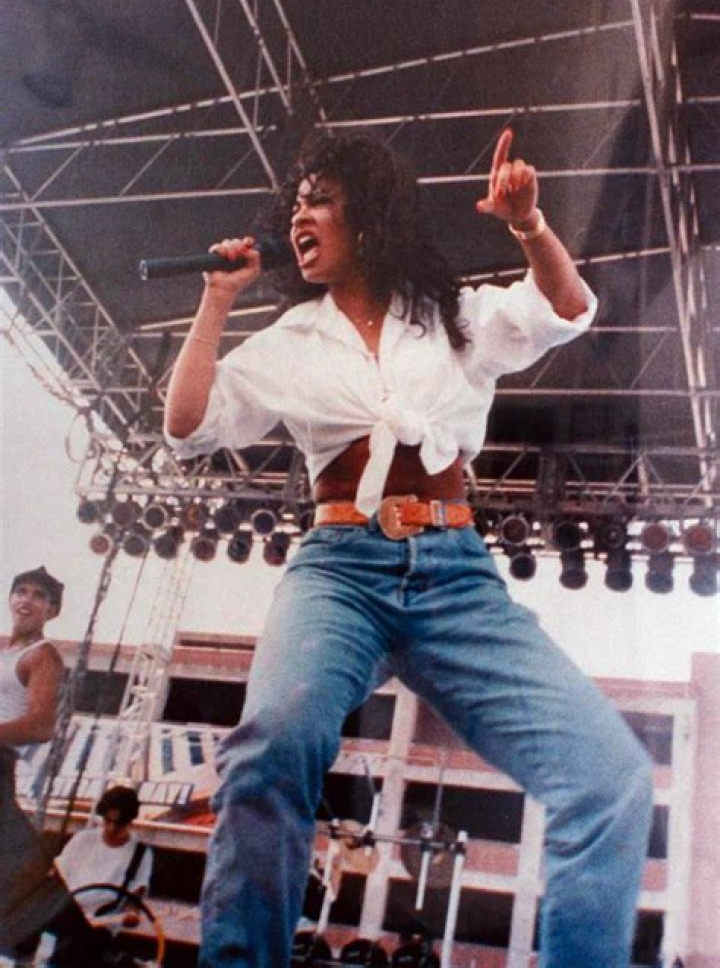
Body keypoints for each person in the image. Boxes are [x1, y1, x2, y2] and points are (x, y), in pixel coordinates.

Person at [164, 128, 654, 968]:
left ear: (369, 214)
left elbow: (568, 309)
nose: (298, 217)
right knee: (272, 746)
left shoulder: (451, 315)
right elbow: (187, 423)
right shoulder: (293, 336)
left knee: (612, 779)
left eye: (319, 200)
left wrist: (529, 226)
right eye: (294, 206)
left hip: (455, 578)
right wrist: (215, 300)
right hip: (340, 572)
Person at [0, 566, 79, 959]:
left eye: (38, 595)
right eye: (21, 591)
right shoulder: (3, 651)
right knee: (24, 869)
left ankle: (88, 949)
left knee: (26, 872)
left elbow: (41, 725)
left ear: (52, 610)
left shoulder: (43, 656)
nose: (26, 600)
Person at [15, 785, 153, 967]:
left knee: (74, 955)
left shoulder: (140, 854)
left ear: (130, 821)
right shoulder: (83, 839)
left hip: (99, 926)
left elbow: (134, 903)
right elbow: (55, 877)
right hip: (64, 914)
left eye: (118, 824)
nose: (111, 828)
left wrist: (130, 917)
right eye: (107, 821)